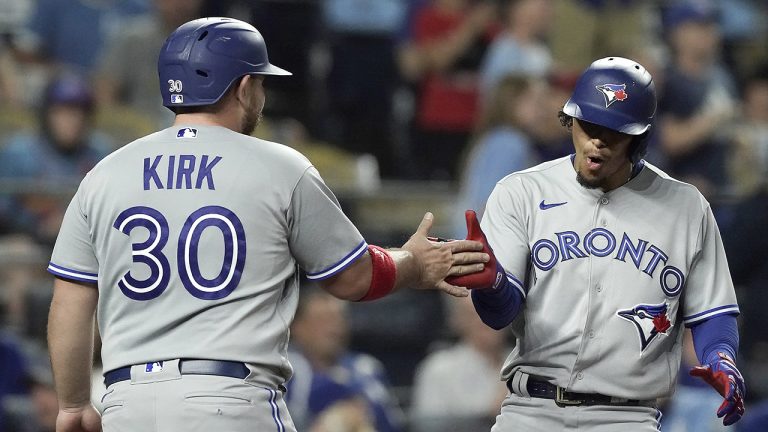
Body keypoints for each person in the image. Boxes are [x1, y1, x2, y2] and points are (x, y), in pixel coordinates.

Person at [44, 17, 488, 432]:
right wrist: (412, 262)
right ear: (242, 87)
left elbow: (71, 299)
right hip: (230, 399)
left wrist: (74, 403)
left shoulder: (104, 174)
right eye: (259, 82)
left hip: (127, 402)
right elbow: (354, 278)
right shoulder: (279, 166)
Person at [458, 57, 746, 430]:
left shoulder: (687, 207)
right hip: (530, 413)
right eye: (588, 125)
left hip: (627, 416)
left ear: (640, 137)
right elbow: (498, 313)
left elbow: (713, 311)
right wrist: (491, 283)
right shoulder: (522, 192)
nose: (597, 141)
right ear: (569, 119)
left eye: (614, 131)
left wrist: (721, 356)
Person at [286, 286, 403, 432]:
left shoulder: (365, 367)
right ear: (297, 327)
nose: (333, 328)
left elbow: (390, 423)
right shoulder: (284, 366)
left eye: (338, 319)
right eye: (322, 320)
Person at [410, 294, 508, 431]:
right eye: (474, 315)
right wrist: (489, 414)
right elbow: (429, 428)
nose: (486, 322)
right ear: (457, 321)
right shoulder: (439, 369)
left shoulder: (527, 364)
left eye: (494, 311)